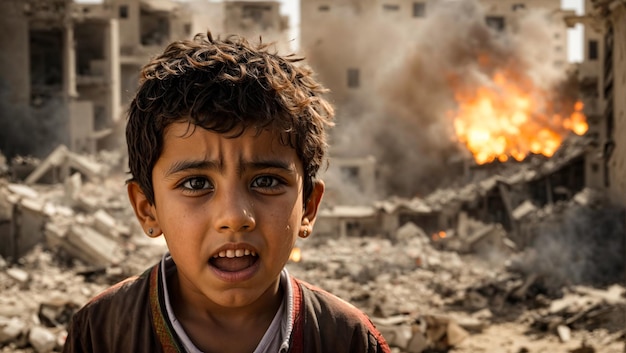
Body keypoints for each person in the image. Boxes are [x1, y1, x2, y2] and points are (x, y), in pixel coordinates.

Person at [63, 31, 391, 353]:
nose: (234, 217)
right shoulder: (101, 333)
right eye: (196, 184)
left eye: (265, 182)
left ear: (308, 207)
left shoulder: (346, 339)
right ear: (147, 209)